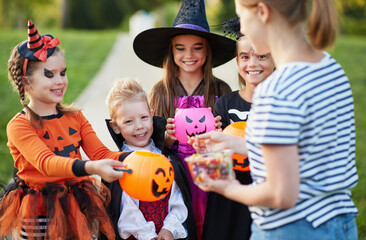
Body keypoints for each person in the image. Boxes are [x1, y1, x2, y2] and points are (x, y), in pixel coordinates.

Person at [190, 0, 359, 239]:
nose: (242, 28)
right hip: (339, 223)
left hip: (291, 229)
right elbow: (304, 153)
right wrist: (233, 143)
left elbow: (281, 194)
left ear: (262, 13)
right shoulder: (329, 66)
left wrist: (228, 187)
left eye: (242, 18)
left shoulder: (276, 91)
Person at [0, 20, 126, 240]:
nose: (60, 81)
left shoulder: (75, 117)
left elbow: (102, 154)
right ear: (26, 83)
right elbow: (47, 163)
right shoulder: (19, 125)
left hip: (77, 203)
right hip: (39, 210)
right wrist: (92, 167)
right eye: (49, 75)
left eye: (63, 73)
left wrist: (137, 157)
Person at [132, 0, 236, 238]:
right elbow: (148, 143)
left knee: (212, 226)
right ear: (171, 51)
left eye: (197, 47)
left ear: (208, 50)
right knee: (183, 227)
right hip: (174, 175)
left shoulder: (222, 89)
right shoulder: (161, 91)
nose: (188, 55)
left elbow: (233, 144)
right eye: (180, 48)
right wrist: (164, 139)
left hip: (212, 174)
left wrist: (222, 135)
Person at [202, 18, 276, 240]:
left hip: (265, 195)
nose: (252, 63)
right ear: (237, 61)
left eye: (261, 56)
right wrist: (207, 151)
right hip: (229, 197)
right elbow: (217, 160)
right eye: (245, 57)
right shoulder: (225, 104)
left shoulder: (279, 107)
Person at [101, 78, 197, 240]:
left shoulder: (166, 158)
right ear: (115, 126)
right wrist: (147, 235)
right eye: (129, 121)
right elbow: (126, 211)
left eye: (143, 117)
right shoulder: (119, 165)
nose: (139, 126)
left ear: (152, 115)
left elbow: (177, 197)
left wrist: (169, 229)